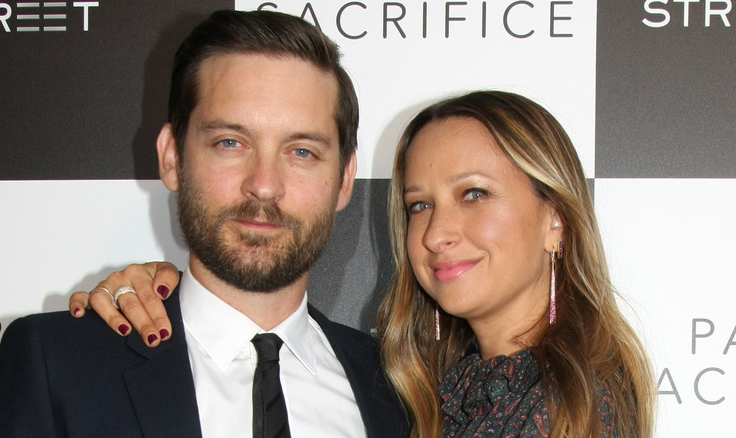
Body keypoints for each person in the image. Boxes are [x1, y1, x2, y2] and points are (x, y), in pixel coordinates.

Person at [75, 91, 656, 437]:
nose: (437, 233)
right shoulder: (414, 387)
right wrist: (174, 295)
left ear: (556, 218)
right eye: (419, 205)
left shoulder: (570, 406)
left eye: (474, 193)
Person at [0, 9, 408, 438]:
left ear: (345, 179)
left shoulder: (397, 390)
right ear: (172, 158)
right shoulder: (55, 365)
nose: (264, 185)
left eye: (301, 151)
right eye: (230, 142)